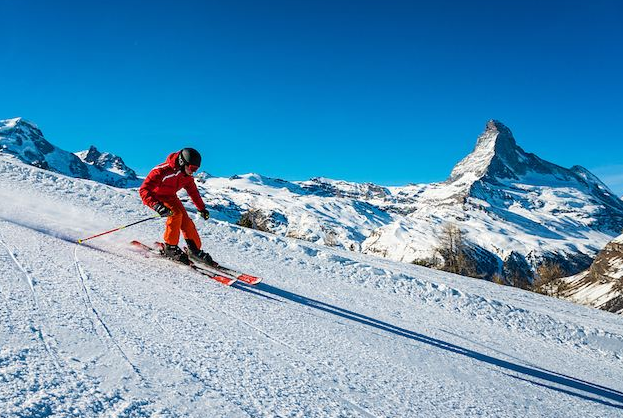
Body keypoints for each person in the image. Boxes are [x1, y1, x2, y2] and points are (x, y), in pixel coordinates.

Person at [139, 147, 215, 266]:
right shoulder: (161, 171)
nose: (193, 172)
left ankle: (194, 250)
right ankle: (170, 247)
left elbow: (193, 192)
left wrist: (202, 208)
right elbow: (144, 190)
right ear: (182, 162)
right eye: (192, 168)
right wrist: (156, 206)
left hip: (171, 197)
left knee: (186, 221)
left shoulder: (187, 176)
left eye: (196, 169)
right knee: (176, 215)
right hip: (157, 197)